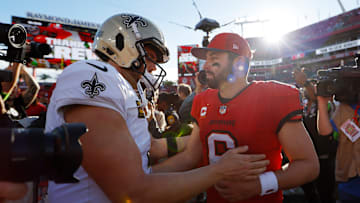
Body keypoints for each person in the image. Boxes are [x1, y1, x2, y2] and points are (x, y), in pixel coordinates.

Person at [45, 14, 269, 203]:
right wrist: (219, 171)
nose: (154, 66)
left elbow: (150, 148)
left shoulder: (129, 88)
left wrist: (199, 139)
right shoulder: (92, 74)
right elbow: (131, 191)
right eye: (150, 55)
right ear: (123, 44)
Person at [153, 33, 319, 203]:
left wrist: (258, 185)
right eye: (206, 60)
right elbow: (190, 157)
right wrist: (147, 175)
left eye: (214, 59)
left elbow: (308, 165)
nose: (206, 66)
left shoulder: (272, 96)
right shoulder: (203, 100)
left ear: (239, 63)